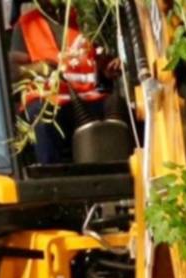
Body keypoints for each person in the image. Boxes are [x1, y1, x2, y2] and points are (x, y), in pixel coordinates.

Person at [10, 0, 122, 164]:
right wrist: (39, 69)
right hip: (49, 99)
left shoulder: (87, 20)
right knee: (42, 117)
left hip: (90, 97)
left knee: (118, 104)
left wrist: (107, 70)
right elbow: (14, 71)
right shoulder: (26, 24)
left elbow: (99, 64)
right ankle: (50, 175)